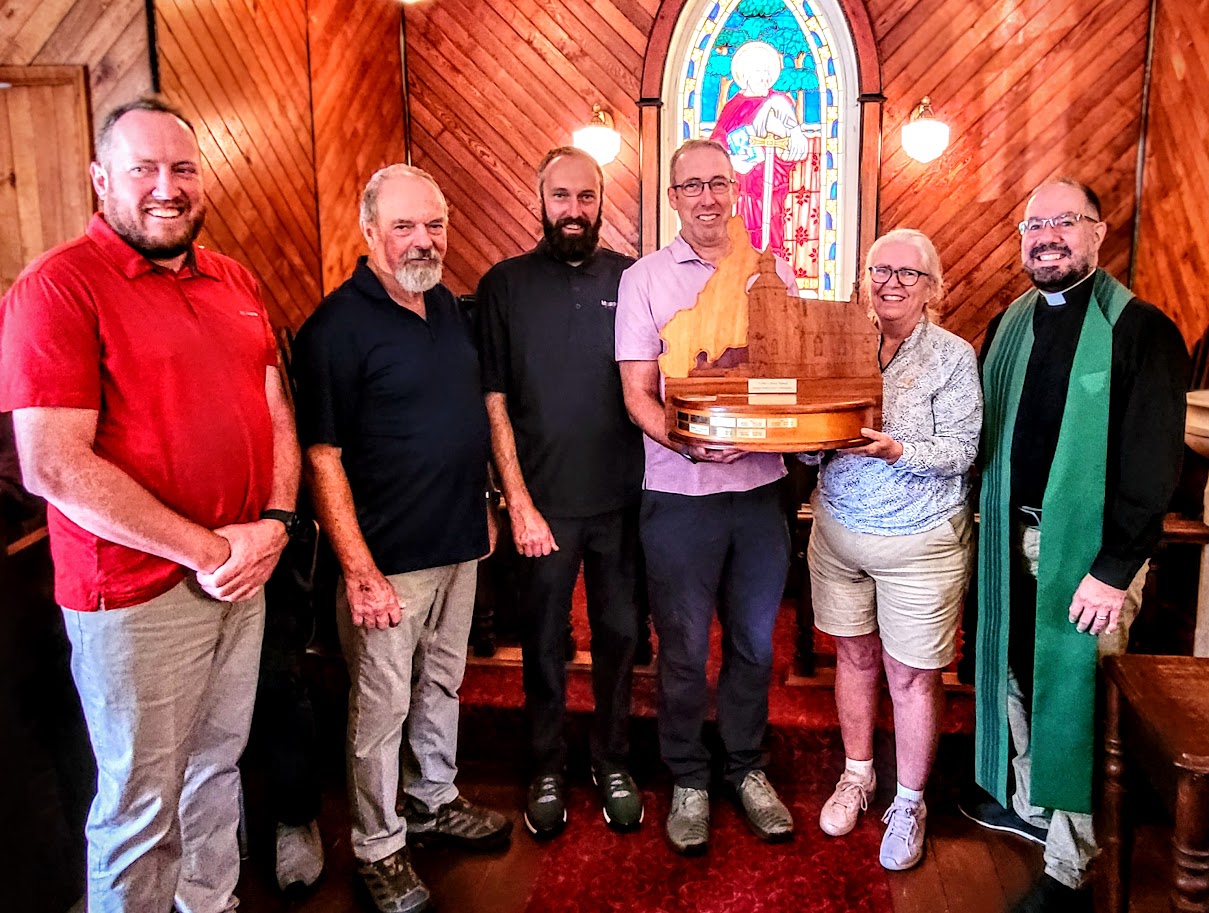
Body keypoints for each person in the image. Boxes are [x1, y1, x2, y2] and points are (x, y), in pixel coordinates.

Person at [0, 95, 301, 913]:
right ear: (101, 180)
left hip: (241, 574)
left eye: (182, 169)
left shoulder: (233, 279)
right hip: (136, 593)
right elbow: (54, 465)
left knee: (215, 768)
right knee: (140, 803)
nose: (167, 187)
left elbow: (273, 406)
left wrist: (274, 525)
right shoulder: (58, 287)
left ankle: (210, 901)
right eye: (143, 169)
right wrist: (212, 551)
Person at [292, 163, 512, 913]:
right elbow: (322, 458)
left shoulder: (445, 306)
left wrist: (485, 505)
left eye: (435, 225)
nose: (424, 240)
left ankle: (432, 799)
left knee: (441, 685)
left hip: (459, 543)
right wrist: (358, 569)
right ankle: (378, 844)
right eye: (404, 226)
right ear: (368, 231)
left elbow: (462, 419)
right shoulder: (334, 329)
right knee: (380, 709)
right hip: (386, 561)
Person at [966, 179, 1188, 913]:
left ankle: (1071, 869)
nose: (1047, 236)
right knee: (1019, 680)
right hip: (1010, 538)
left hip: (1089, 556)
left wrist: (1113, 569)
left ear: (1097, 231)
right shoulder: (1008, 323)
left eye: (1064, 221)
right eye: (1034, 225)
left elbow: (1153, 464)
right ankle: (1036, 809)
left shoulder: (1142, 331)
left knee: (1076, 703)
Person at [615, 138, 796, 856]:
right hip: (678, 495)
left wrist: (766, 432)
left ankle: (745, 767)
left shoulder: (771, 270)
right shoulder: (644, 279)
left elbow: (786, 380)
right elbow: (637, 393)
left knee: (753, 644)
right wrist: (686, 442)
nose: (707, 198)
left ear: (735, 190)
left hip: (759, 494)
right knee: (685, 650)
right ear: (673, 198)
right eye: (692, 186)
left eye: (718, 183)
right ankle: (688, 775)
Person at [477, 146, 646, 839]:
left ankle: (612, 761)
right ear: (540, 201)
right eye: (560, 197)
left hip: (623, 503)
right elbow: (492, 401)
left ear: (601, 203)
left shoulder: (632, 279)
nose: (573, 210)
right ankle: (546, 766)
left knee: (621, 639)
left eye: (585, 197)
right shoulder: (504, 284)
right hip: (541, 508)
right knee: (543, 643)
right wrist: (516, 502)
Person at [804, 229, 981, 870]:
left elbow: (961, 450)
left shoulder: (953, 356)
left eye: (909, 274)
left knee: (910, 676)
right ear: (864, 282)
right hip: (838, 535)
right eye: (880, 271)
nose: (892, 284)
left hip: (919, 542)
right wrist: (801, 438)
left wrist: (896, 449)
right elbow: (813, 434)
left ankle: (909, 801)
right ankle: (857, 774)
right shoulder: (839, 345)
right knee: (853, 658)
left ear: (934, 288)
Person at [710, 40, 820, 259]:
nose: (764, 77)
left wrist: (782, 139)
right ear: (746, 74)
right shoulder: (734, 105)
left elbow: (795, 141)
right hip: (739, 180)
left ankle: (771, 266)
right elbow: (718, 140)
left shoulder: (779, 102)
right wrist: (733, 158)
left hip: (769, 179)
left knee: (769, 223)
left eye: (767, 72)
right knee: (741, 225)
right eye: (758, 71)